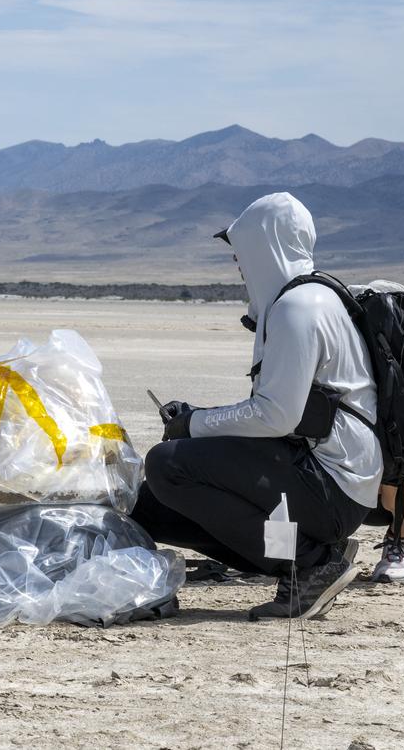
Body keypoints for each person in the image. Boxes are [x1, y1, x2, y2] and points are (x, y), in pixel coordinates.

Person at [130, 192, 380, 620]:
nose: (238, 265)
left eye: (240, 250)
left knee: (168, 465)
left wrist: (194, 425)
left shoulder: (299, 307)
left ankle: (311, 563)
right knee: (151, 507)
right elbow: (280, 416)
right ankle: (297, 556)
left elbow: (275, 415)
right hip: (323, 478)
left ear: (266, 245)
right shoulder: (306, 300)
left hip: (331, 487)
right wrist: (197, 419)